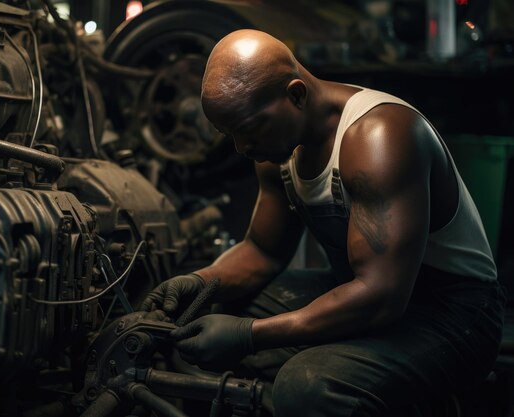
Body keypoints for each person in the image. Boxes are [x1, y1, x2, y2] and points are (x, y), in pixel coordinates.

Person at [140, 29, 506, 416]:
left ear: (296, 94)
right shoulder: (274, 149)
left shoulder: (378, 137)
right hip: (363, 288)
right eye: (229, 134)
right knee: (204, 314)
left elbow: (381, 296)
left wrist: (248, 336)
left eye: (248, 129)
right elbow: (263, 252)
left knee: (307, 384)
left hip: (452, 313)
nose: (241, 148)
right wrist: (199, 282)